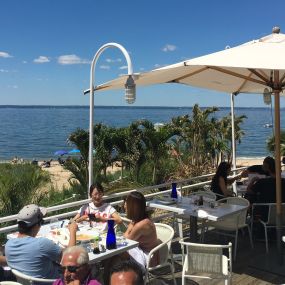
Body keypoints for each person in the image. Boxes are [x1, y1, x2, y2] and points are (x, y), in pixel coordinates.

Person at [5, 204, 78, 279]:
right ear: (36, 226)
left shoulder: (8, 245)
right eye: (42, 222)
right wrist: (73, 231)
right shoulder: (42, 244)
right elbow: (70, 257)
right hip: (54, 281)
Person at [124, 191, 160, 270]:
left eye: (126, 203)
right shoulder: (140, 219)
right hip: (143, 252)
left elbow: (126, 241)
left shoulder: (141, 225)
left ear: (133, 207)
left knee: (120, 253)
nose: (124, 206)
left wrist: (131, 225)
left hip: (149, 258)